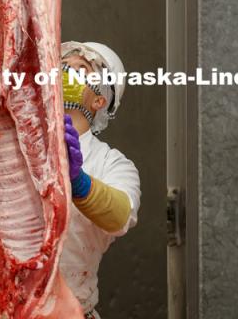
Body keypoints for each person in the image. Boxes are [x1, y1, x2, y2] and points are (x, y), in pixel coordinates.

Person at [59, 41, 141, 319]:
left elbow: (120, 216)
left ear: (99, 99)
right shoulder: (15, 141)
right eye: (63, 66)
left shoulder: (112, 163)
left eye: (81, 69)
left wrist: (79, 183)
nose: (65, 74)